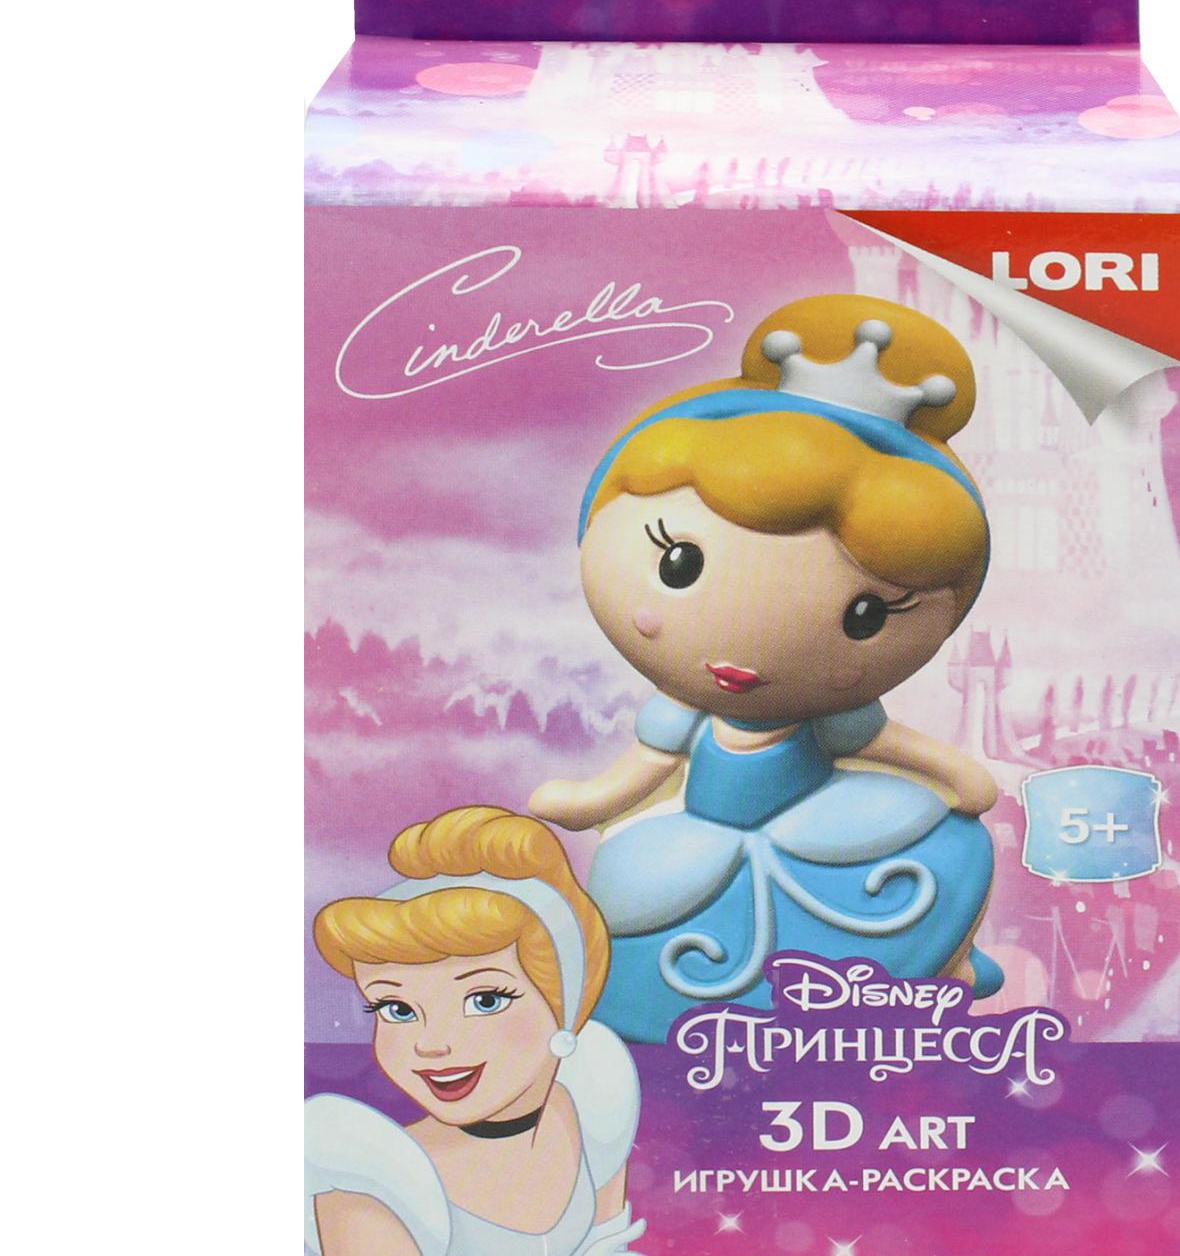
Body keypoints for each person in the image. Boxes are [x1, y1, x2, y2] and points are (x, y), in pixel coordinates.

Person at [531, 294, 1003, 1044]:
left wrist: (957, 775)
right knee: (635, 906)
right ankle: (669, 1028)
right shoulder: (683, 717)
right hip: (696, 843)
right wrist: (588, 802)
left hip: (825, 825)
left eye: (866, 615)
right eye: (678, 564)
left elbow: (890, 746)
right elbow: (642, 771)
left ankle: (938, 969)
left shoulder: (835, 721)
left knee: (937, 855)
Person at [305, 806, 645, 1255]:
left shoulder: (593, 1103)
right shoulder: (369, 1180)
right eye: (397, 1009)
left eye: (485, 1000)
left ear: (564, 1005)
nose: (431, 1045)